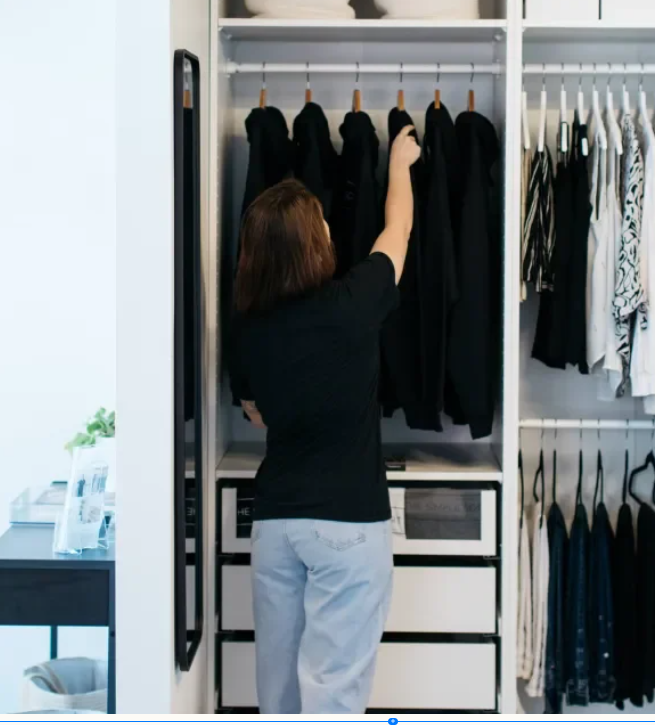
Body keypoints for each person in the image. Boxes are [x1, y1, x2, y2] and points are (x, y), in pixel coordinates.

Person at [231, 125, 421, 714]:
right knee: (334, 695)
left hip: (277, 525)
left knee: (279, 695)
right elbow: (399, 229)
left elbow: (256, 412)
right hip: (348, 525)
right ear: (318, 242)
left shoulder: (249, 326)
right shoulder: (354, 301)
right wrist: (400, 165)